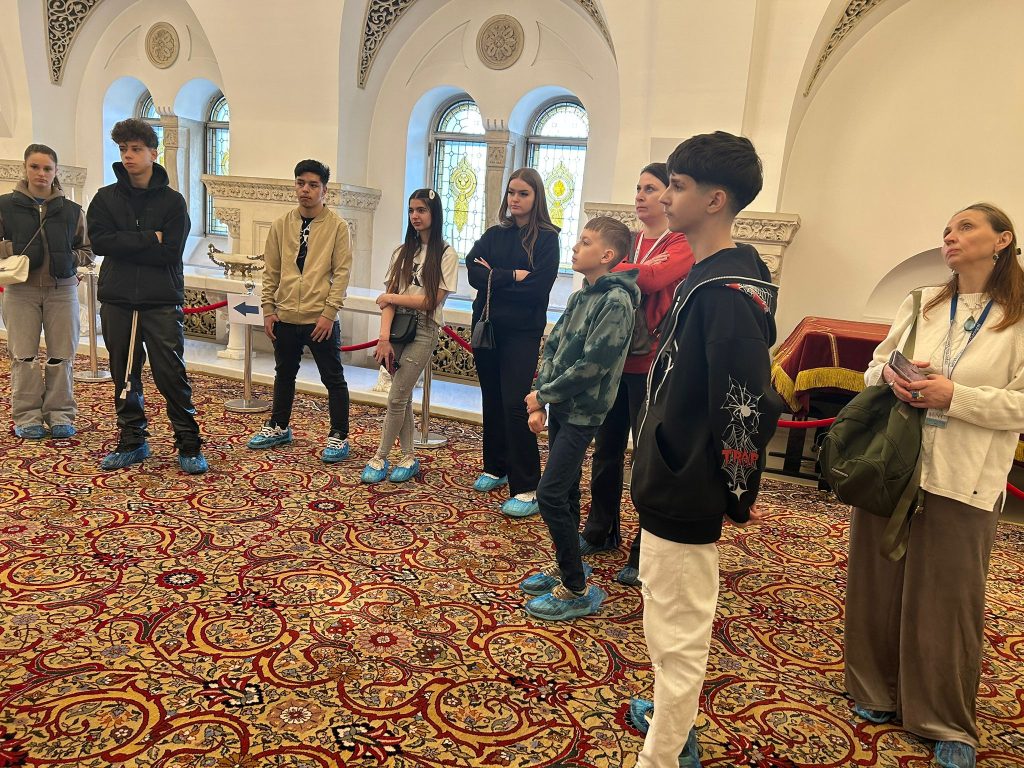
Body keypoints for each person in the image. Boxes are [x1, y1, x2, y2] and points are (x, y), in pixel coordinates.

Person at [844, 203, 1024, 768]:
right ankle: (873, 688)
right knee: (875, 580)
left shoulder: (1019, 316)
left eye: (966, 227)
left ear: (1003, 240)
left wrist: (955, 397)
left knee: (949, 599)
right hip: (895, 461)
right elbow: (873, 368)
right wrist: (892, 377)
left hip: (965, 475)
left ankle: (944, 719)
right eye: (947, 229)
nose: (950, 236)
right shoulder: (921, 302)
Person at [628, 132, 782, 767]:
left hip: (687, 480)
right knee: (662, 610)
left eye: (679, 186)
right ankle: (672, 717)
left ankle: (663, 753)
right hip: (672, 468)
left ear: (716, 200)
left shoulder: (726, 293)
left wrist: (735, 491)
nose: (666, 196)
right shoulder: (708, 274)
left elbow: (745, 404)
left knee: (678, 629)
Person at [581, 163, 694, 587]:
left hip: (652, 366)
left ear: (667, 196)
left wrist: (609, 267)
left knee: (646, 460)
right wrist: (612, 266)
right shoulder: (628, 240)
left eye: (651, 188)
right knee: (606, 450)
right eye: (638, 188)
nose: (641, 196)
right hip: (615, 361)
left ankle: (642, 549)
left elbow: (653, 277)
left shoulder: (680, 241)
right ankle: (600, 530)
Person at [519, 216, 638, 620]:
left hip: (585, 410)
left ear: (607, 255)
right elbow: (553, 345)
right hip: (562, 404)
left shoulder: (616, 302)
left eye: (585, 242)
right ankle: (568, 563)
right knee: (566, 490)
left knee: (550, 494)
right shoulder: (580, 296)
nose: (575, 247)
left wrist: (542, 395)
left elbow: (593, 366)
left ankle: (575, 587)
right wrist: (541, 400)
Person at [87, 118, 207, 474]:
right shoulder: (105, 198)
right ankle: (132, 441)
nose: (128, 156)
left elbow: (170, 252)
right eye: (123, 149)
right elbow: (99, 243)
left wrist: (126, 243)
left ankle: (188, 443)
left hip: (161, 299)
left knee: (171, 373)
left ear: (153, 153)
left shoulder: (172, 202)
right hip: (118, 299)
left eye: (136, 149)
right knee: (124, 373)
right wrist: (148, 238)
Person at [466, 168, 560, 517]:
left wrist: (493, 278)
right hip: (487, 326)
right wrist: (511, 276)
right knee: (491, 398)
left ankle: (527, 486)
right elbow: (473, 271)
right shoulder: (495, 234)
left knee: (515, 403)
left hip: (522, 332)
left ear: (536, 198)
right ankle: (496, 466)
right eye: (511, 192)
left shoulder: (547, 239)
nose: (515, 199)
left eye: (523, 193)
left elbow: (538, 288)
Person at [248, 159, 353, 462]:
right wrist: (268, 309)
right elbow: (271, 271)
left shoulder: (338, 227)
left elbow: (341, 274)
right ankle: (279, 426)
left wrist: (328, 314)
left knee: (333, 378)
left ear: (324, 190)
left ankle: (339, 434)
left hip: (319, 317)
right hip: (285, 316)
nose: (305, 190)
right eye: (300, 183)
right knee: (284, 374)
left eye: (313, 185)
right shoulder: (281, 225)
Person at [360, 189, 459, 483]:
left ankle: (380, 457)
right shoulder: (402, 252)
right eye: (411, 210)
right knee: (401, 396)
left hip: (425, 328)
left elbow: (431, 301)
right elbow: (387, 301)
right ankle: (408, 457)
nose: (415, 216)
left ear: (434, 214)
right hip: (397, 328)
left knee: (396, 397)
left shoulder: (446, 253)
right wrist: (383, 338)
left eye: (422, 210)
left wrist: (392, 296)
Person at [0, 144, 93, 439]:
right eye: (35, 167)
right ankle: (27, 417)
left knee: (61, 356)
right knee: (23, 356)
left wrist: (69, 258)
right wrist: (13, 249)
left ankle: (60, 414)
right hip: (20, 291)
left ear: (55, 172)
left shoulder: (72, 211)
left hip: (61, 291)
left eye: (47, 168)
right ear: (25, 169)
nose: (41, 173)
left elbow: (88, 250)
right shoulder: (5, 206)